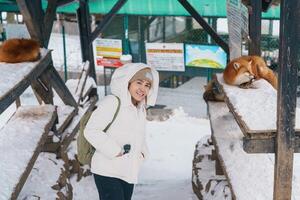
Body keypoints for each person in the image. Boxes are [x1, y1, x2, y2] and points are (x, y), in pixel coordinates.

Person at [84, 63, 159, 200]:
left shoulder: (140, 109)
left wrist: (142, 154)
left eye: (147, 85)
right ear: (128, 82)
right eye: (139, 82)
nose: (143, 88)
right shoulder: (112, 102)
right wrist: (115, 151)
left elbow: (138, 136)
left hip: (128, 171)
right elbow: (91, 130)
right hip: (107, 170)